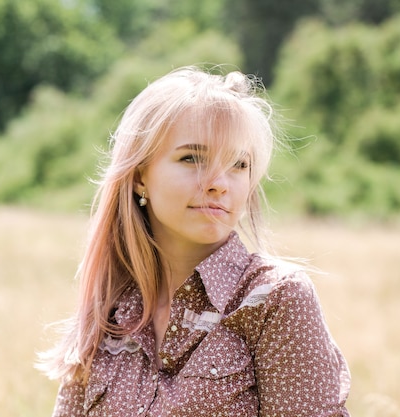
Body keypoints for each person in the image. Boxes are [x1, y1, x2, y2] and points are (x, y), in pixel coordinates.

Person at [38, 65, 351, 416]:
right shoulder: (111, 309)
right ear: (140, 176)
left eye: (239, 164)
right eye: (192, 158)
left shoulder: (276, 300)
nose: (220, 183)